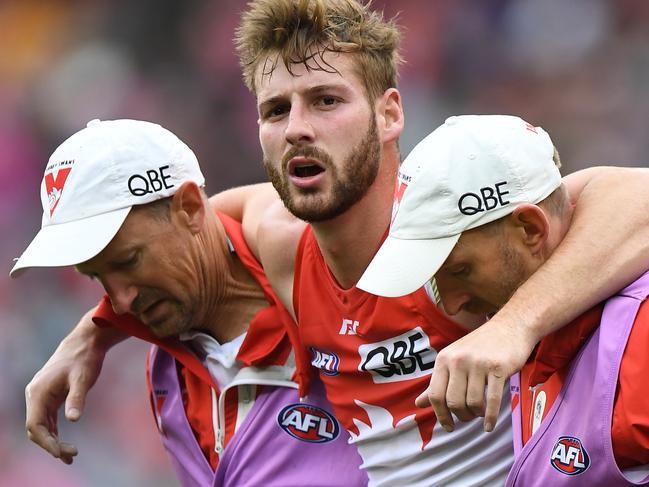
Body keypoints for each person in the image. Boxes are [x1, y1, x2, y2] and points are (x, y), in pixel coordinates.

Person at [23, 1, 649, 485]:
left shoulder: (457, 236)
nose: (297, 128)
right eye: (276, 111)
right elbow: (184, 228)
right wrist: (96, 327)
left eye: (326, 101)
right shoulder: (281, 246)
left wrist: (511, 326)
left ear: (390, 113)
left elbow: (625, 199)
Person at [12, 119, 366, 486]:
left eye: (129, 261)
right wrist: (92, 332)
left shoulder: (326, 280)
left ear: (192, 208)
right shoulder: (164, 367)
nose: (119, 303)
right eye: (97, 277)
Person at [358, 114, 649, 486]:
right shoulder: (531, 336)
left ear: (529, 229)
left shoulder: (638, 334)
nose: (451, 306)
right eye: (435, 281)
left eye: (461, 270)